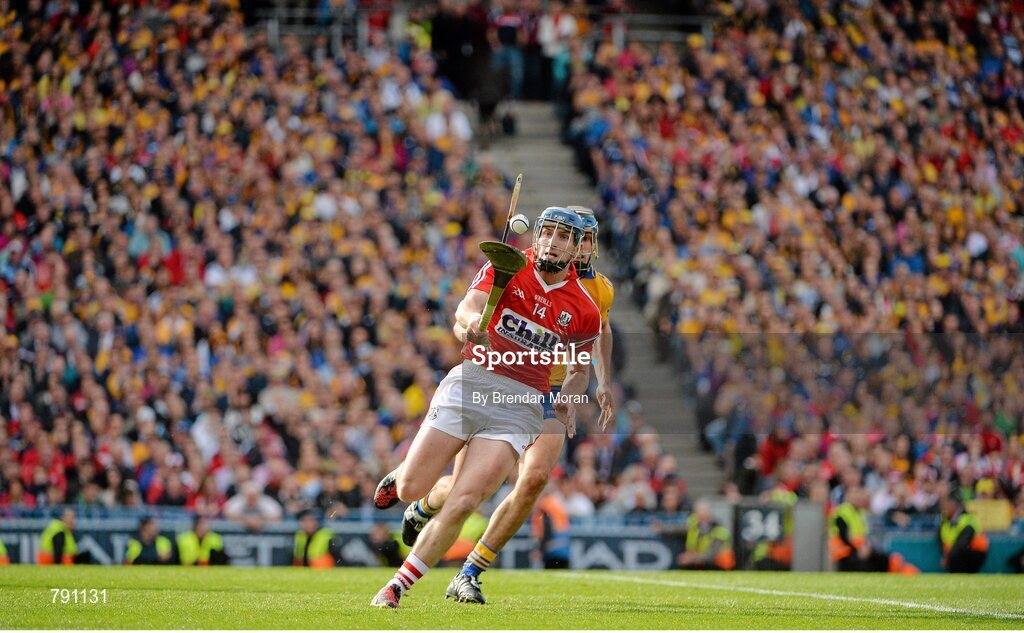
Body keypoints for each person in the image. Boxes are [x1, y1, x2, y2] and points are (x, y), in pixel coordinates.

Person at [370, 207, 601, 608]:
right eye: (547, 233)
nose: (552, 241)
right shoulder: (508, 264)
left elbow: (580, 370)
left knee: (464, 500)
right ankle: (407, 481)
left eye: (564, 237)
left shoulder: (585, 308)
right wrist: (469, 326)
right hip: (472, 383)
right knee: (411, 488)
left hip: (521, 404)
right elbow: (466, 309)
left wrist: (569, 395)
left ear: (578, 248)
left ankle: (396, 587)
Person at [829, 487, 918, 574]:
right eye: (853, 493)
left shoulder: (861, 513)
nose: (857, 496)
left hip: (858, 550)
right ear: (847, 496)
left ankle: (899, 570)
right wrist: (859, 549)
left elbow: (865, 536)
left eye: (858, 493)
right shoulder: (842, 512)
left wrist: (866, 547)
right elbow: (843, 536)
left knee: (882, 559)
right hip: (844, 553)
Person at [665, 499, 735, 571]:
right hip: (701, 559)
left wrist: (693, 558)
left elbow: (712, 553)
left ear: (709, 511)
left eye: (702, 510)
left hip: (718, 564)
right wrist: (662, 527)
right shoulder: (694, 525)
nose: (699, 513)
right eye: (698, 510)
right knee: (685, 561)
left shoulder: (719, 530)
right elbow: (679, 528)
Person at [939, 490, 989, 574]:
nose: (944, 506)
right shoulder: (945, 520)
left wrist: (947, 557)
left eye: (947, 503)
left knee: (958, 555)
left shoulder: (967, 519)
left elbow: (962, 543)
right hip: (955, 553)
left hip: (974, 553)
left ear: (955, 505)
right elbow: (941, 537)